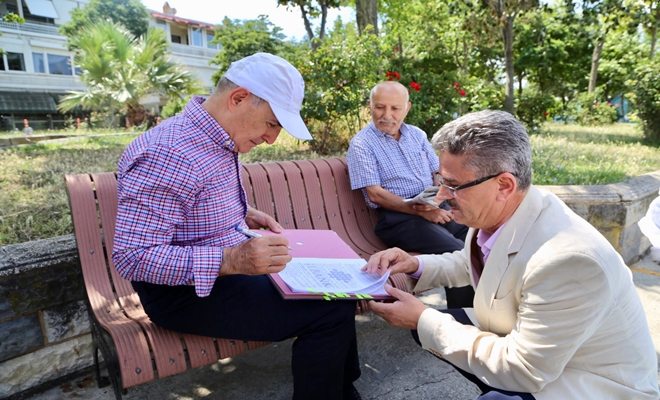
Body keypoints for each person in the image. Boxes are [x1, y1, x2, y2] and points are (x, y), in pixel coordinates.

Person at [112, 53, 362, 400]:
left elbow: (190, 205)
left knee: (339, 294)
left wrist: (241, 213)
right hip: (184, 294)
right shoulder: (167, 153)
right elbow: (133, 257)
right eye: (272, 123)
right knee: (330, 309)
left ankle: (340, 388)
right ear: (239, 98)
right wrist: (232, 260)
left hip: (223, 273)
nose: (272, 138)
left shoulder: (213, 138)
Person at [364, 110, 659, 400]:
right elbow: (474, 261)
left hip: (589, 384)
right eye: (442, 181)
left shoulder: (569, 260)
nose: (441, 196)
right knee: (428, 329)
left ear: (504, 185)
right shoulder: (507, 210)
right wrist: (414, 264)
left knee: (431, 329)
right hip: (544, 356)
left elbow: (524, 369)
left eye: (452, 185)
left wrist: (423, 319)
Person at [346, 80, 473, 308]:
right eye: (379, 107)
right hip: (398, 219)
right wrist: (422, 212)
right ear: (369, 106)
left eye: (395, 108)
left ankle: (481, 312)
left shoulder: (416, 134)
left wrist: (435, 201)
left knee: (475, 241)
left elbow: (438, 172)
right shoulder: (362, 144)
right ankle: (460, 318)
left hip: (433, 208)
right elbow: (375, 194)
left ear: (407, 108)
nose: (387, 115)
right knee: (457, 251)